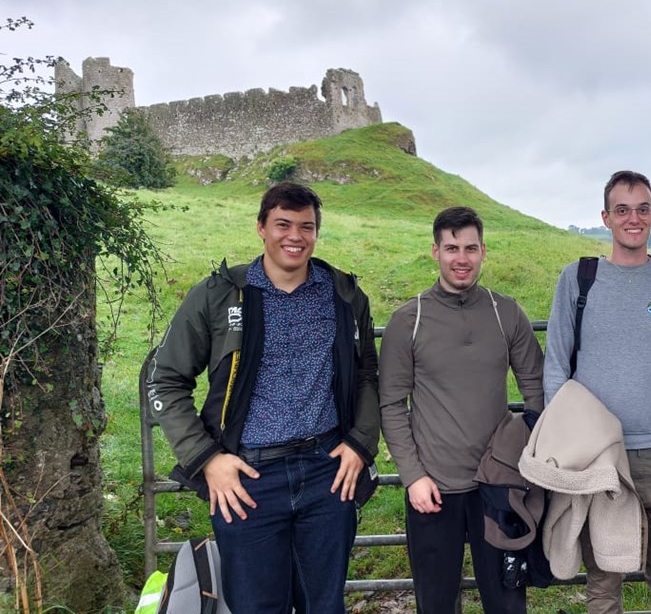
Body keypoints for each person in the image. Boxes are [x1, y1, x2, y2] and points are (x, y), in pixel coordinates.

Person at [142, 182, 381, 613]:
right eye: (282, 224)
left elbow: (366, 373)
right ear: (261, 228)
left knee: (324, 605)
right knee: (255, 606)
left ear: (317, 232)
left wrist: (360, 443)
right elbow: (165, 379)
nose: (295, 236)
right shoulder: (218, 295)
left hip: (327, 472)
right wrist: (206, 458)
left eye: (306, 227)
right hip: (246, 479)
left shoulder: (343, 294)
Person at [543, 170, 651, 614]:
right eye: (623, 210)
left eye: (643, 209)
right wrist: (567, 442)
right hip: (600, 457)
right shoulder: (578, 278)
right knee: (602, 583)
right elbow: (556, 365)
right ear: (606, 218)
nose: (634, 218)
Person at [379, 206, 544, 613]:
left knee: (507, 602)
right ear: (435, 251)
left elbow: (537, 389)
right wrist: (413, 476)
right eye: (452, 248)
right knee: (435, 602)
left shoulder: (506, 312)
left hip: (499, 484)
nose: (462, 258)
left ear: (483, 251)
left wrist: (534, 459)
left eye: (471, 248)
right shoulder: (408, 320)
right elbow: (391, 404)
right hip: (433, 486)